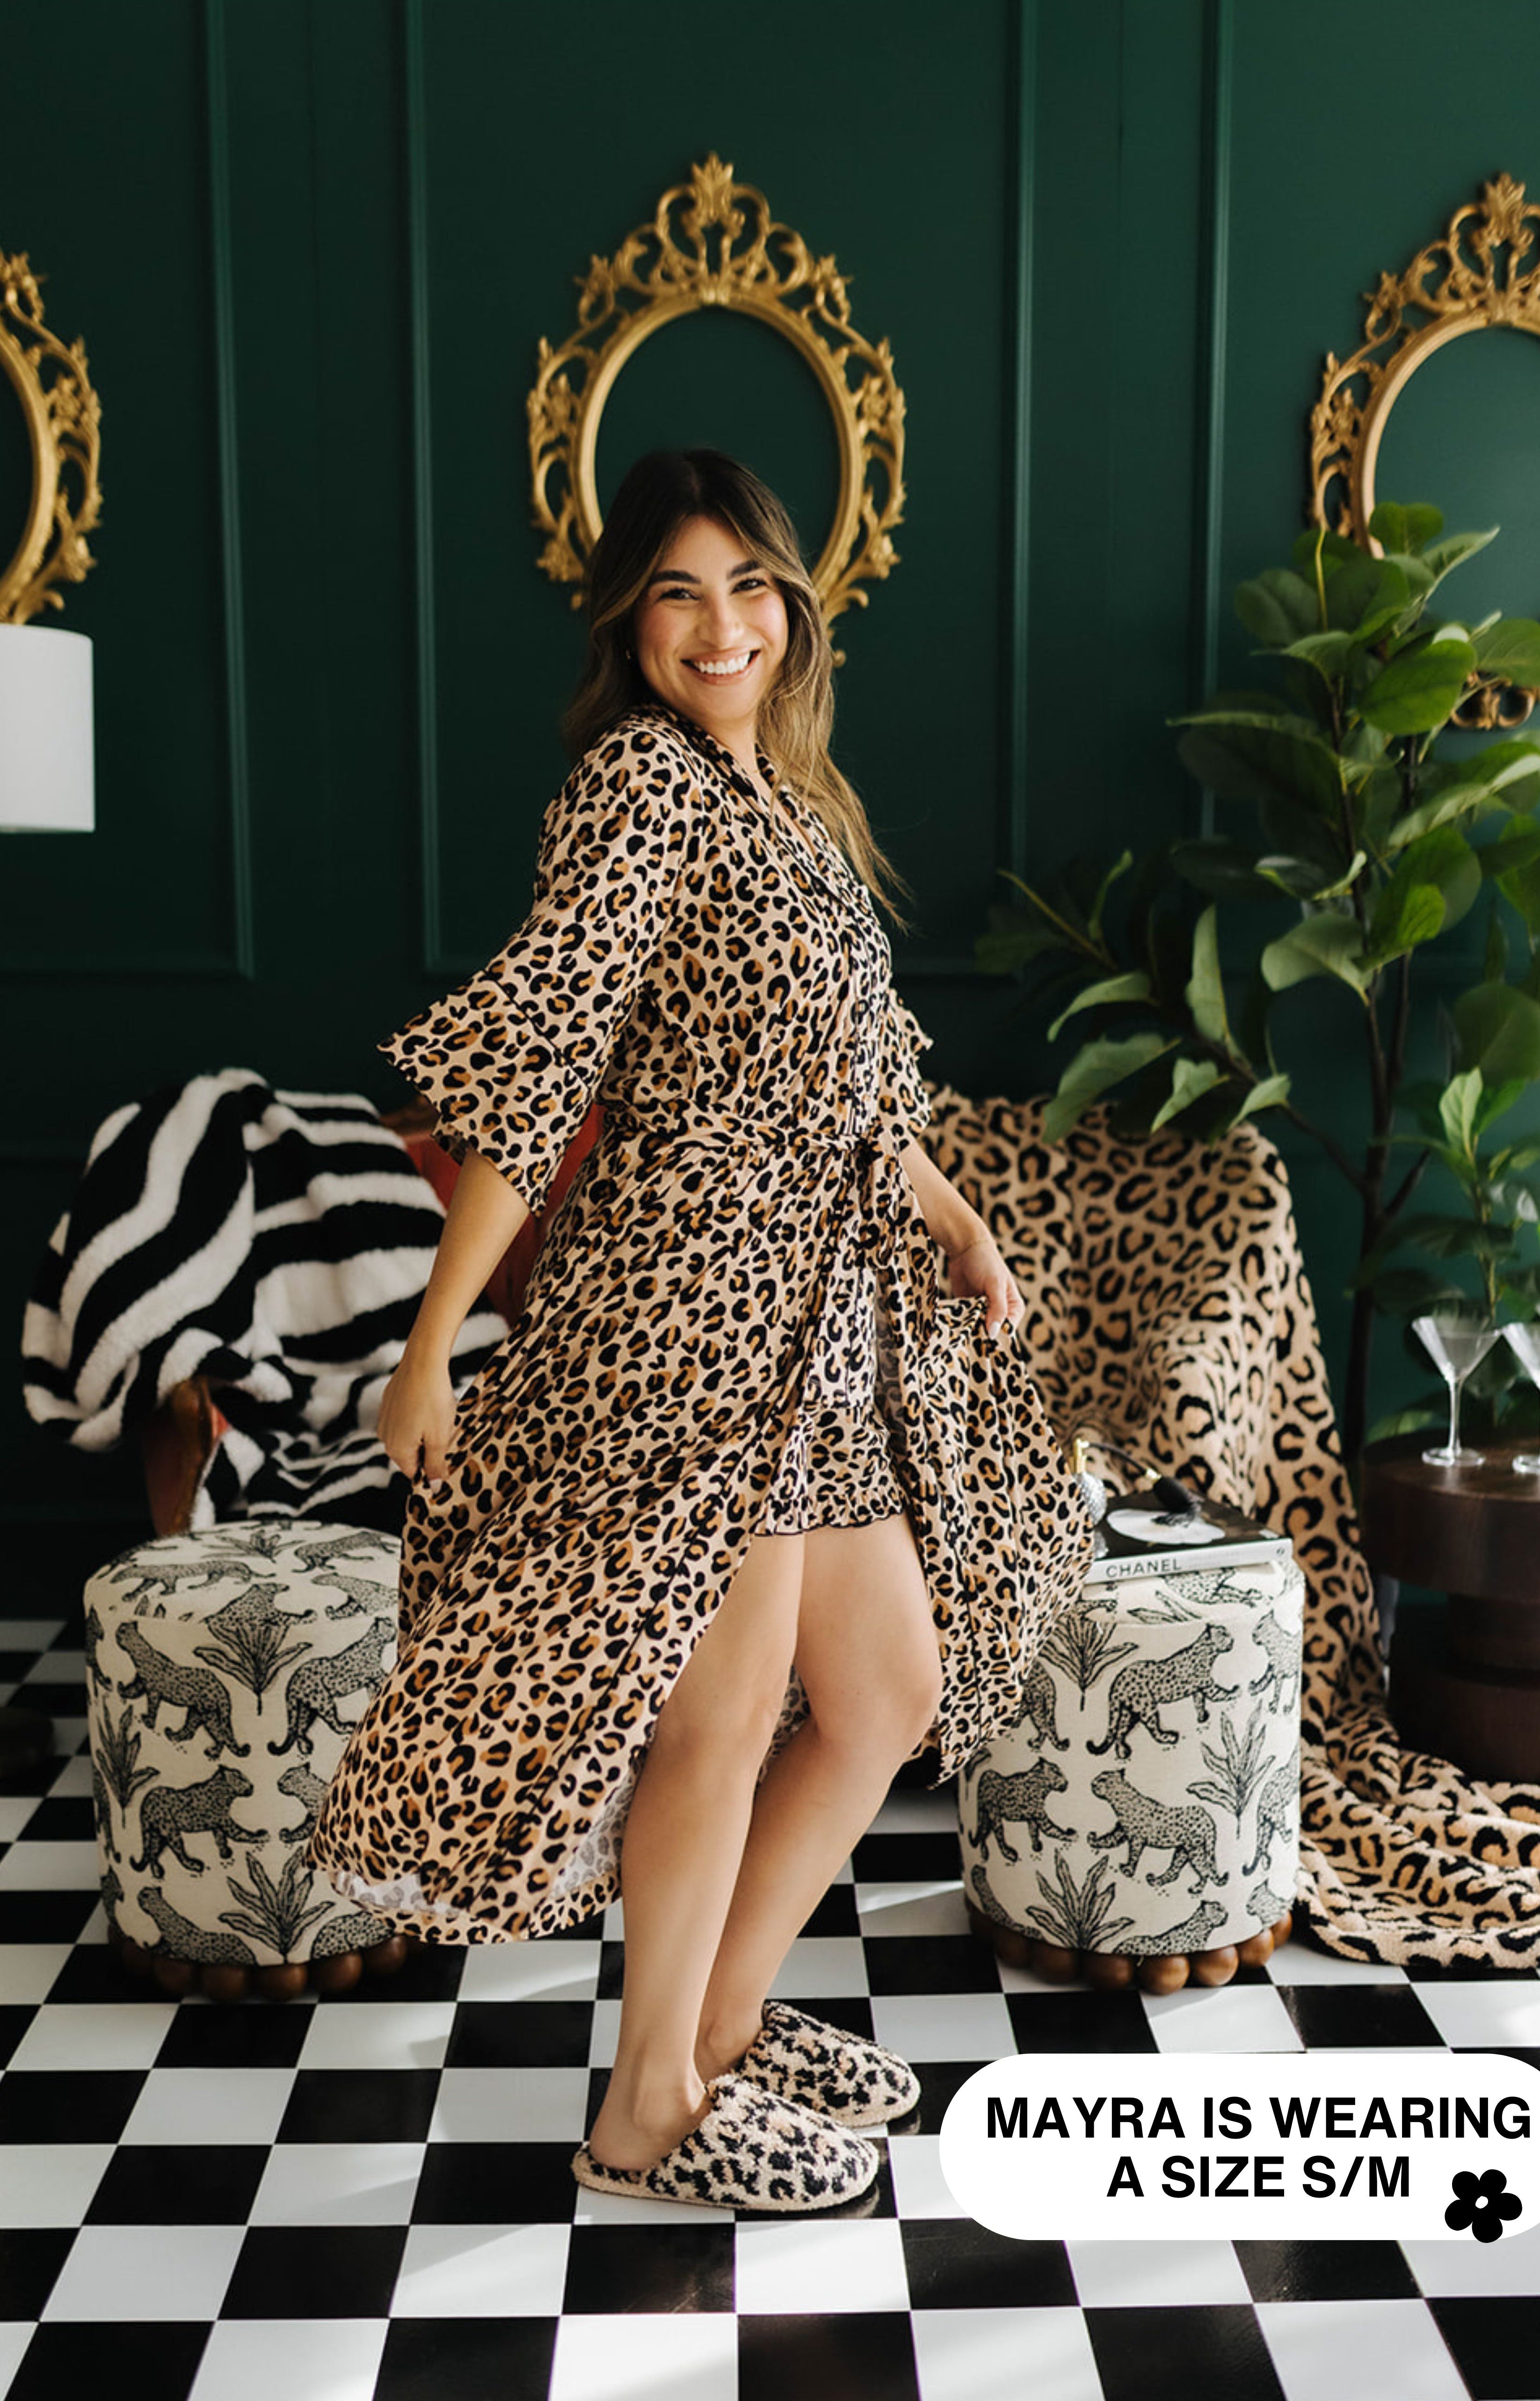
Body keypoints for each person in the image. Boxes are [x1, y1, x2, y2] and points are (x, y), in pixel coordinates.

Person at [304, 448, 1033, 2215]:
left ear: (795, 604)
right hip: (696, 1313)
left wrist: (948, 1217)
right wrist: (430, 1339)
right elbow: (542, 1062)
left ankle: (712, 2019)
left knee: (885, 1691)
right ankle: (646, 2104)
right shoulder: (638, 788)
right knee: (722, 1714)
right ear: (629, 622)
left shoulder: (787, 795)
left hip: (830, 1314)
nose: (723, 625)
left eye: (751, 586)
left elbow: (853, 1073)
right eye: (679, 592)